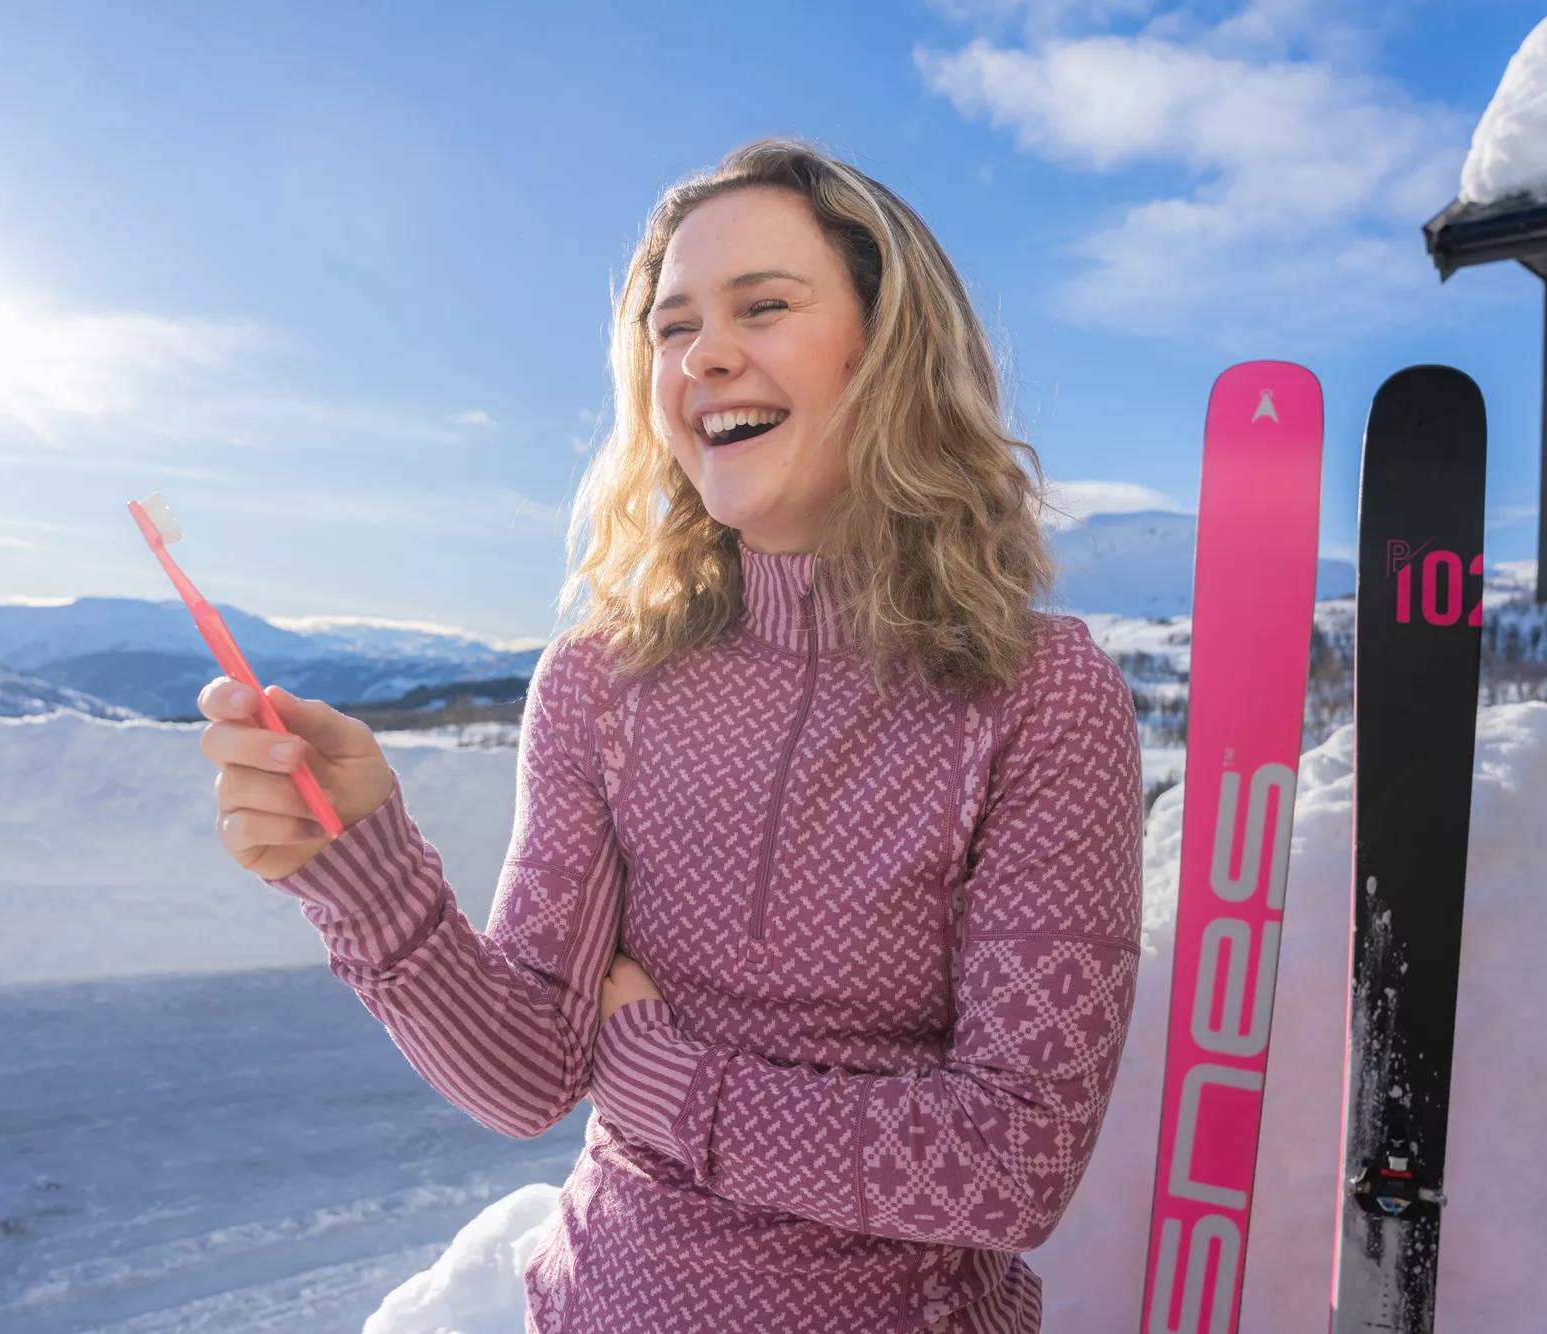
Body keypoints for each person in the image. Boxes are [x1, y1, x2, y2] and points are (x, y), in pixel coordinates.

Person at [196, 136, 1144, 1333]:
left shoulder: (1037, 693)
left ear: (888, 349)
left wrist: (660, 1077)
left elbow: (1011, 1161)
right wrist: (365, 873)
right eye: (672, 325)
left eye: (764, 305)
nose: (704, 355)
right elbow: (527, 1072)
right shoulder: (601, 683)